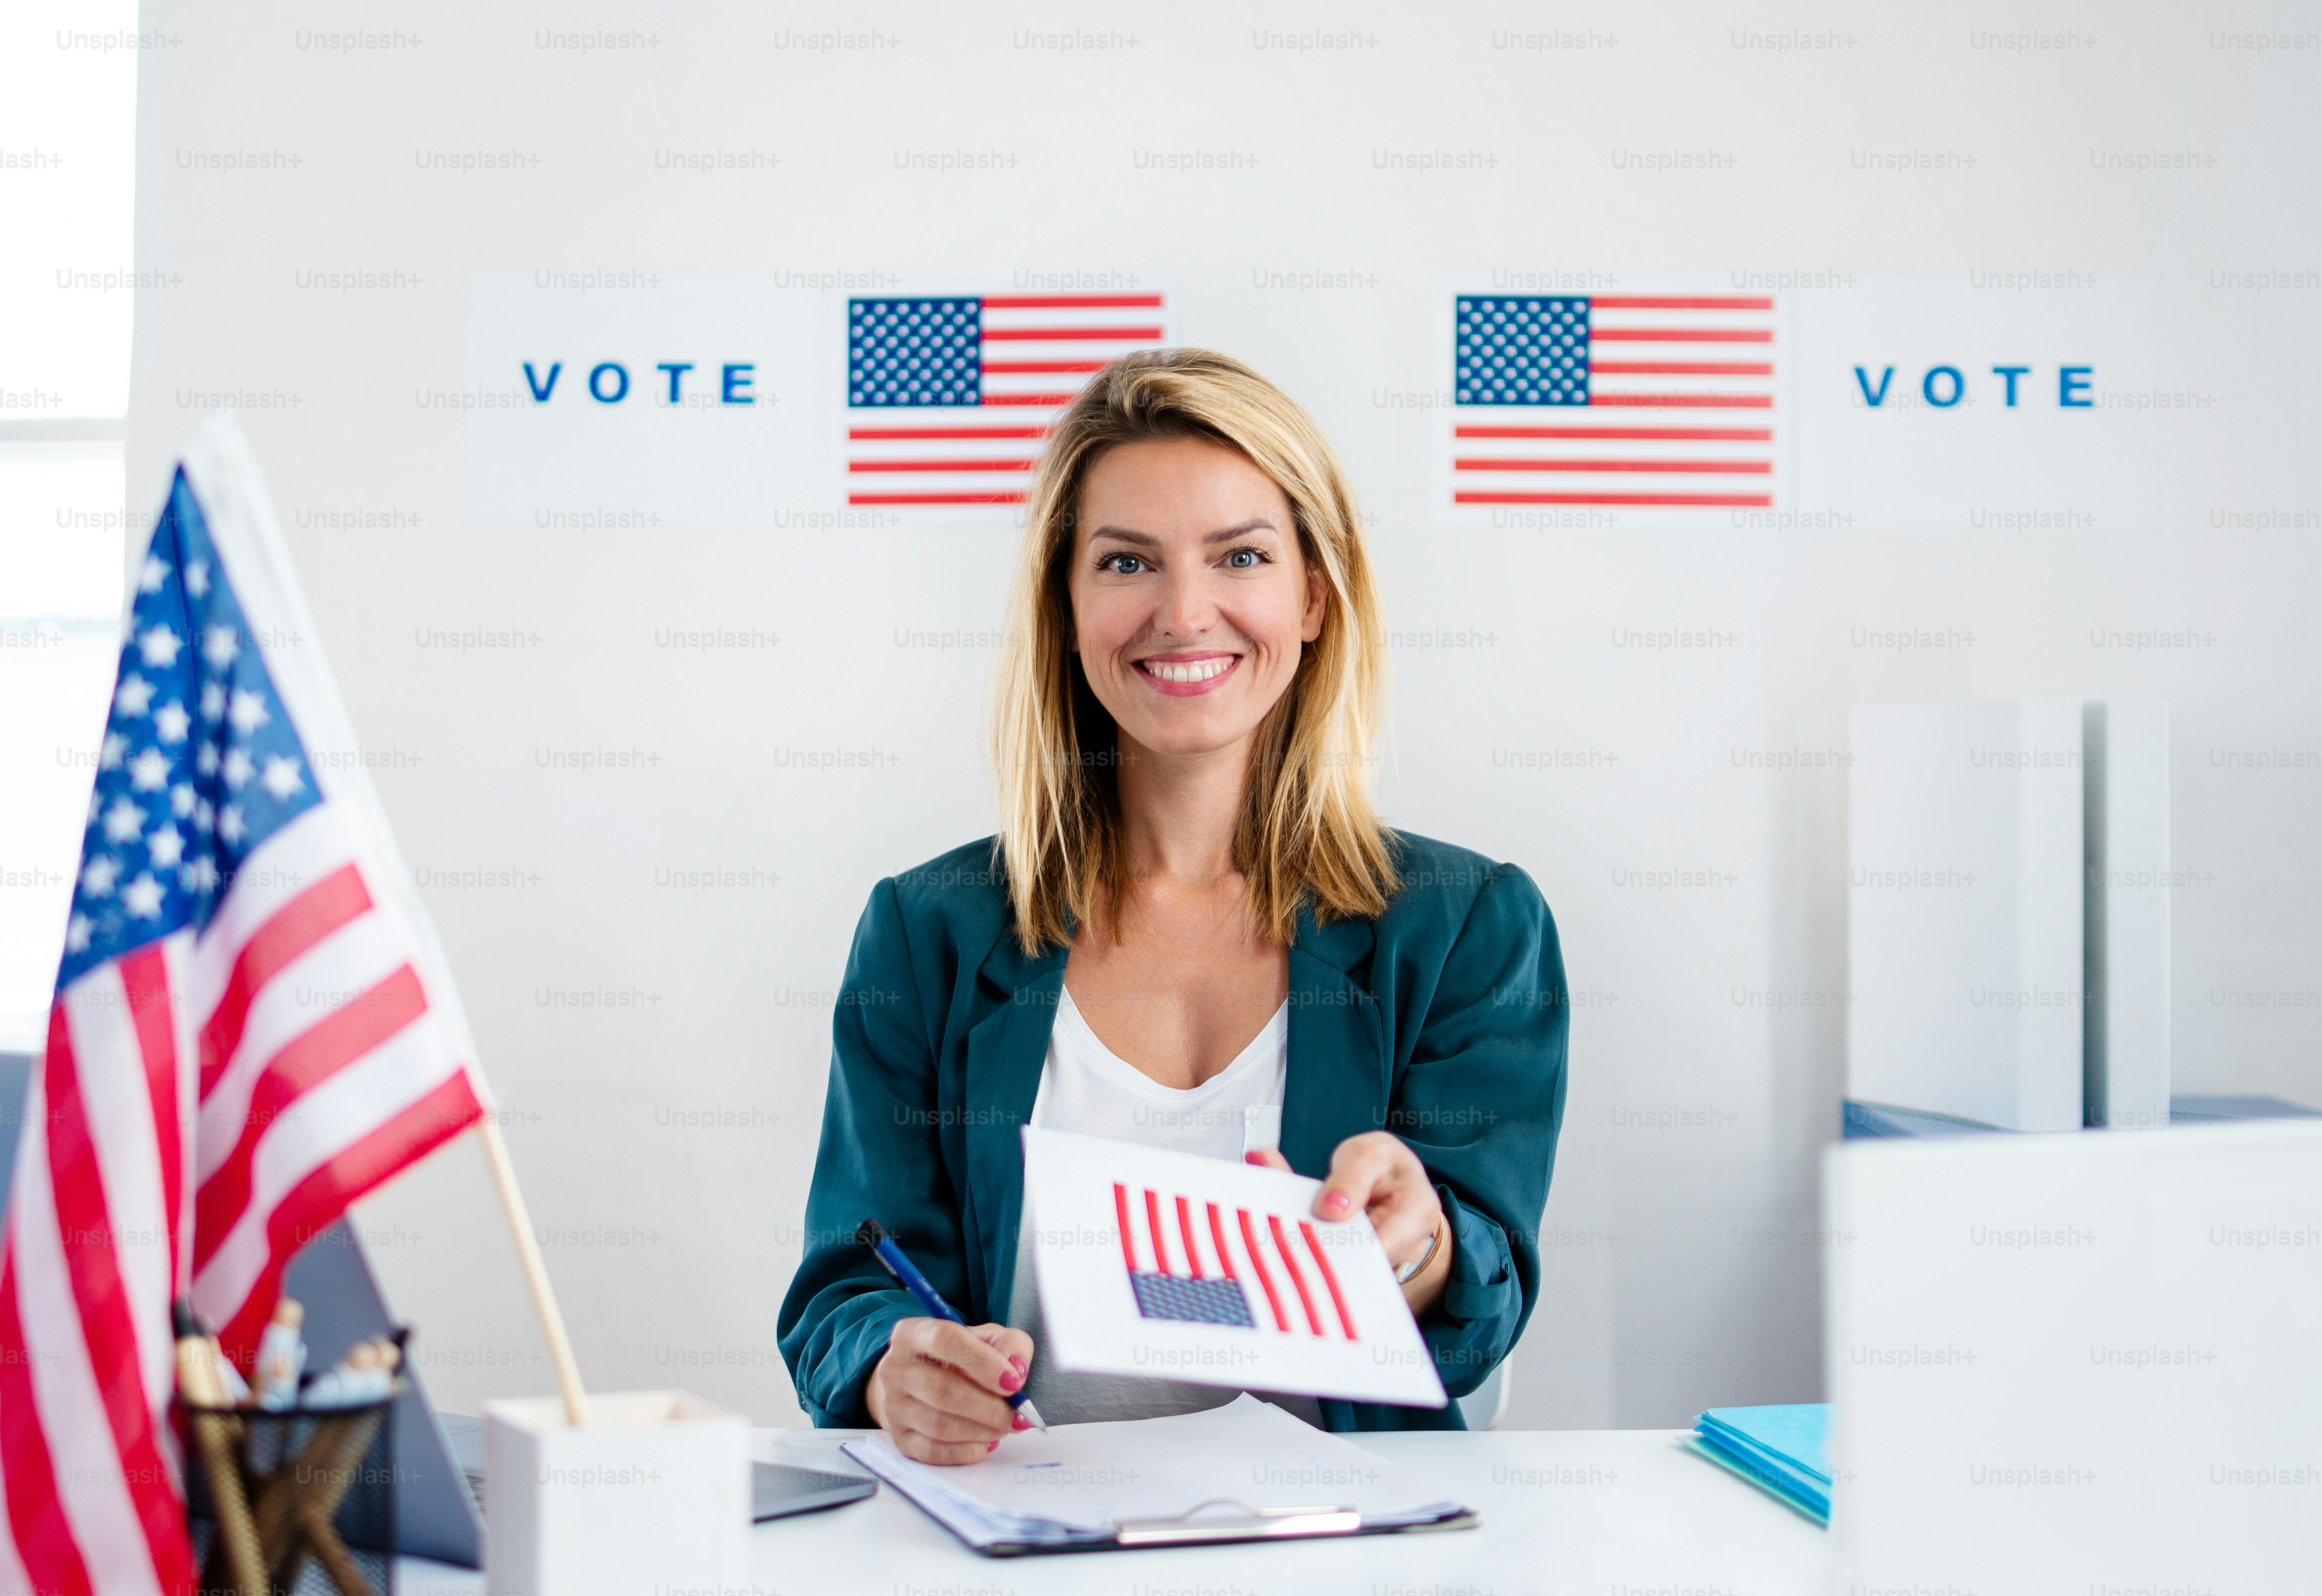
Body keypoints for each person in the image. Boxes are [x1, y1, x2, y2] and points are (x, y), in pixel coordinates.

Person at [777, 349, 1567, 1464]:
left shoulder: (1467, 926)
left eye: (1239, 555)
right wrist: (889, 1366)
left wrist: (1420, 1240)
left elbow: (1483, 1306)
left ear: (1312, 595)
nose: (1183, 613)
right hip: (1016, 1545)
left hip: (1344, 1554)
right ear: (1066, 605)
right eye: (1126, 562)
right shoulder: (928, 929)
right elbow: (844, 1288)